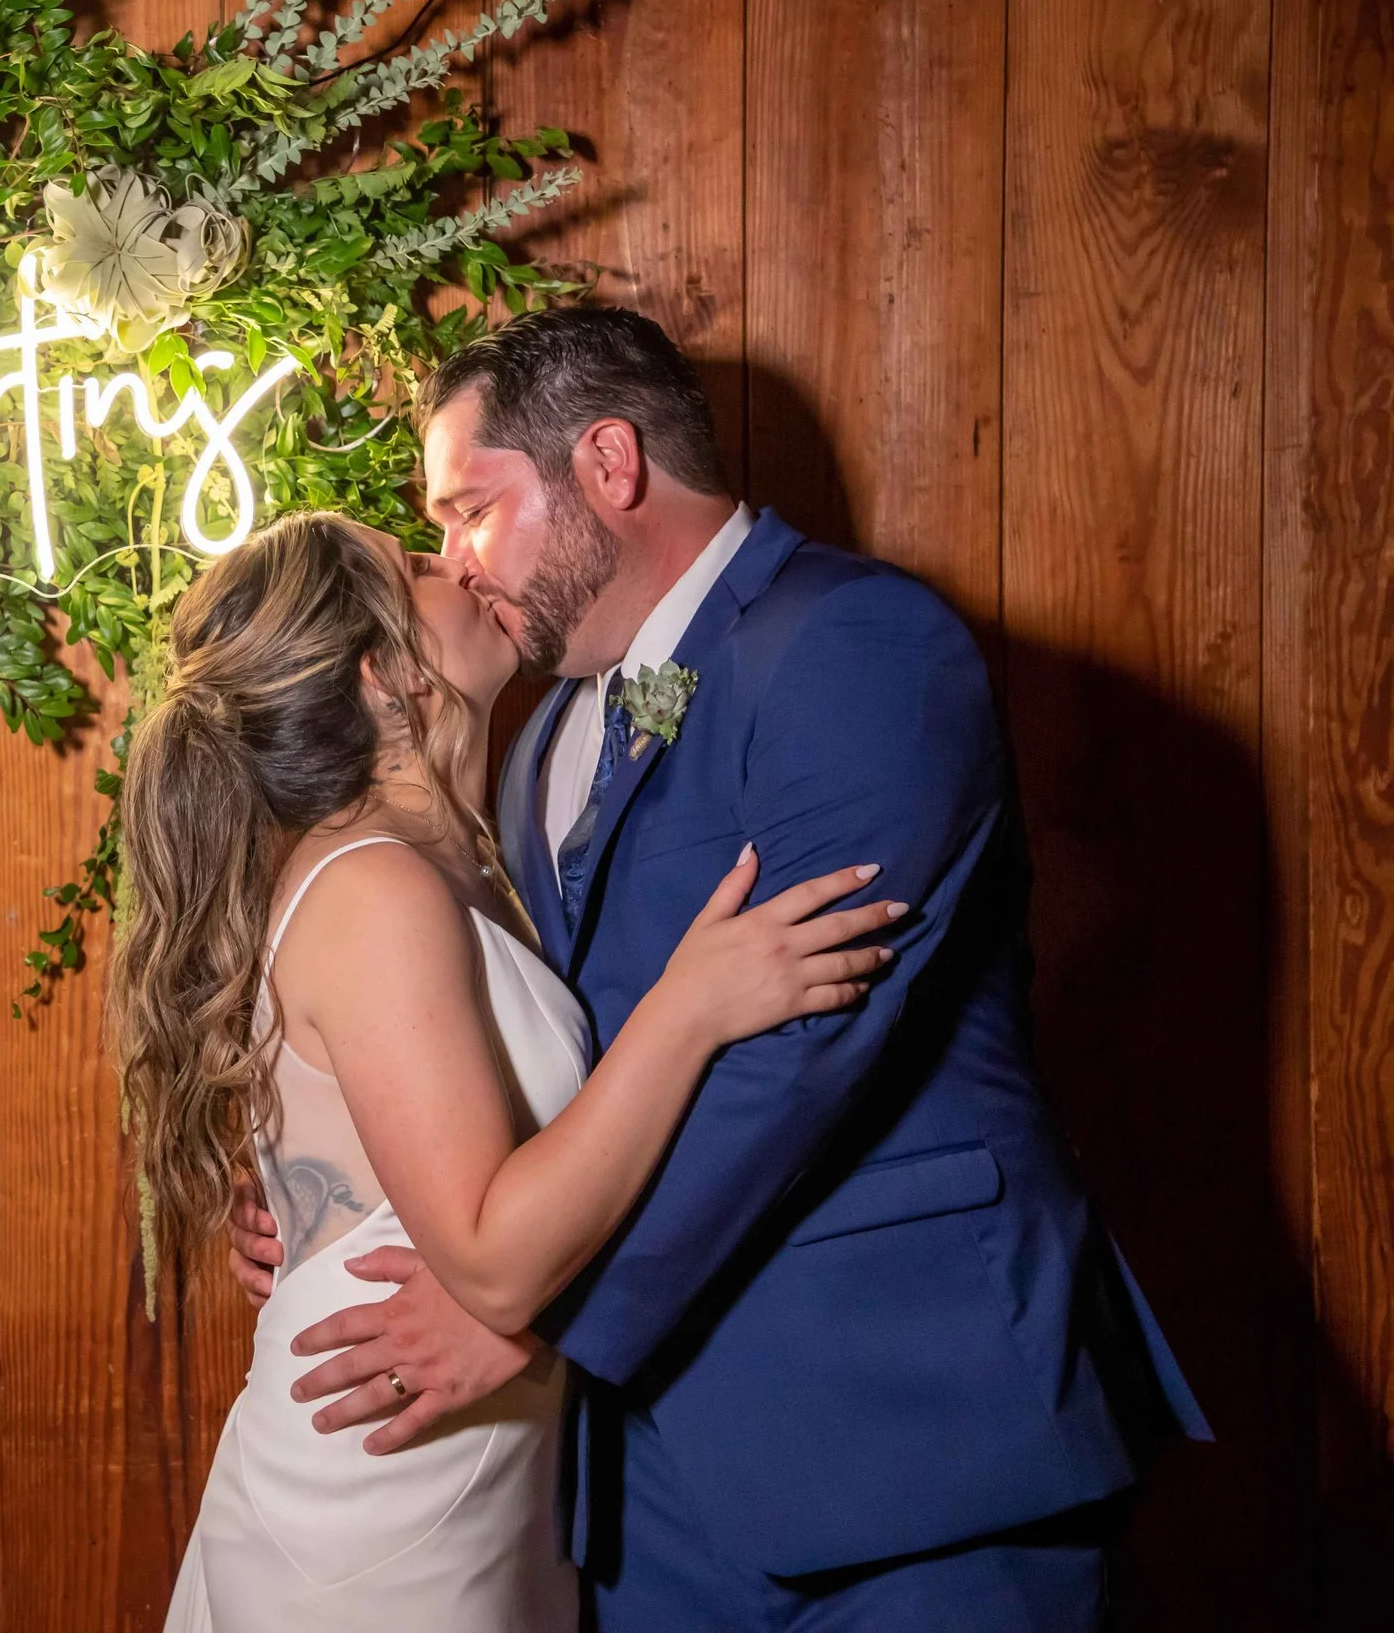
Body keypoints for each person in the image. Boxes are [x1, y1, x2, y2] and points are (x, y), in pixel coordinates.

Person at [226, 306, 1210, 1630]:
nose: (454, 560)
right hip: (645, 1491)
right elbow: (523, 1057)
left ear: (610, 464)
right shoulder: (537, 743)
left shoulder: (857, 640)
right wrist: (338, 1193)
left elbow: (803, 1053)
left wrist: (535, 1317)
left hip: (908, 1443)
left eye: (469, 510)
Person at [116, 509, 904, 1631]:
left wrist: (309, 1213)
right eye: (424, 565)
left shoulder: (467, 855)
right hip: (384, 1490)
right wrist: (688, 1007)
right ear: (381, 672)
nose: (463, 567)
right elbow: (487, 1259)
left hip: (488, 1482)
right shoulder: (373, 887)